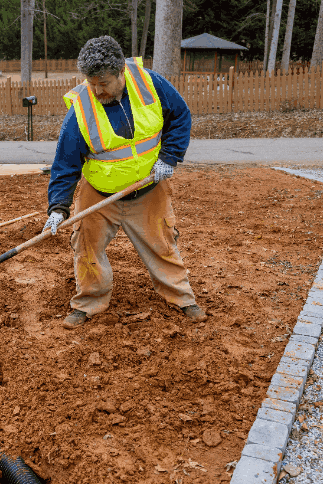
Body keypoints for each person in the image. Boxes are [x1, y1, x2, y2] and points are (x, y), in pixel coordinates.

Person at [42, 35, 207, 330]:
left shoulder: (151, 85)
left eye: (103, 83)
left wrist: (169, 158)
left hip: (147, 187)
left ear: (121, 73)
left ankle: (181, 297)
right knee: (87, 247)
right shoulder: (81, 109)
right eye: (91, 83)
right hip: (99, 194)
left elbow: (180, 116)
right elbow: (66, 163)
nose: (97, 90)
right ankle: (89, 302)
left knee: (163, 244)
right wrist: (58, 207)